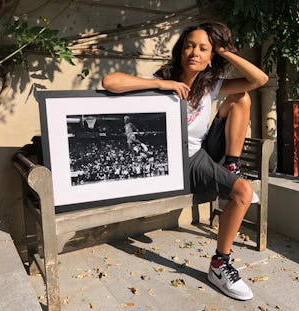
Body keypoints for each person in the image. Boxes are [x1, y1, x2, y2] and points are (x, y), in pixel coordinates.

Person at [102, 21, 268, 301]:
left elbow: (259, 80)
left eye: (204, 49)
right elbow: (110, 82)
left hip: (201, 153)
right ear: (180, 50)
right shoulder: (162, 80)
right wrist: (159, 84)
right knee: (242, 190)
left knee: (242, 98)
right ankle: (219, 264)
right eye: (190, 45)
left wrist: (224, 51)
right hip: (171, 161)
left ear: (211, 56)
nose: (195, 52)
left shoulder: (211, 85)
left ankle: (220, 262)